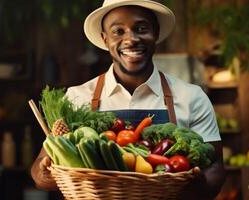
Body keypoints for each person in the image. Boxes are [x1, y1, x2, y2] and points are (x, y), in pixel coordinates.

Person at [31, 0, 226, 199]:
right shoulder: (77, 97)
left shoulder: (192, 97)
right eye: (118, 31)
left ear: (156, 34)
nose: (131, 39)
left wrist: (193, 187)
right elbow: (40, 173)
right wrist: (48, 173)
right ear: (105, 39)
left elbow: (216, 166)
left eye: (141, 28)